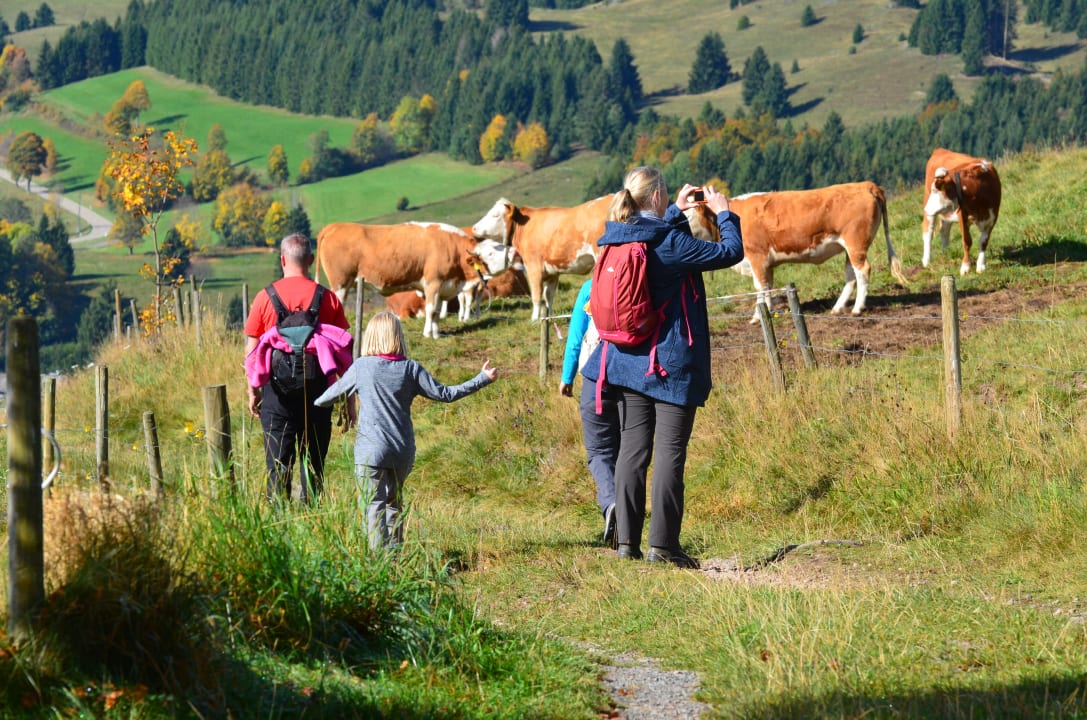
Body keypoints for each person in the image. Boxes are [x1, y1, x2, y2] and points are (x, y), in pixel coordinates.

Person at [581, 166, 744, 568]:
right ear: (656, 197)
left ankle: (626, 543)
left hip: (626, 361)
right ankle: (664, 546)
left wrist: (676, 211)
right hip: (668, 365)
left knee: (632, 452)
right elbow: (730, 252)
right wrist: (725, 214)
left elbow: (657, 237)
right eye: (667, 196)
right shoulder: (670, 243)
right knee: (671, 453)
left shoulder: (617, 236)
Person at [313, 310, 499, 550]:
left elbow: (328, 397)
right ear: (398, 336)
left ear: (371, 337)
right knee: (393, 504)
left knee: (373, 506)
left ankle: (378, 565)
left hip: (371, 451)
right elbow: (446, 394)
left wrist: (313, 401)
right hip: (402, 451)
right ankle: (395, 559)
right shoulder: (411, 369)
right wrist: (481, 378)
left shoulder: (362, 367)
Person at [244, 233, 354, 504]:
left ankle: (279, 526)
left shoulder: (264, 298)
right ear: (311, 260)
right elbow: (344, 353)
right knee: (314, 466)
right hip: (319, 394)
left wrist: (253, 391)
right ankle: (314, 520)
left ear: (282, 260)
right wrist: (350, 402)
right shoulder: (327, 299)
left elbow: (252, 352)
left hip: (276, 395)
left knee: (278, 467)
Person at [559, 277, 619, 545]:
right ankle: (630, 513)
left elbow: (575, 336)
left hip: (596, 378)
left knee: (599, 452)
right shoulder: (644, 277)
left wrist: (567, 376)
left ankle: (612, 503)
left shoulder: (592, 285)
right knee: (630, 449)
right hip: (635, 379)